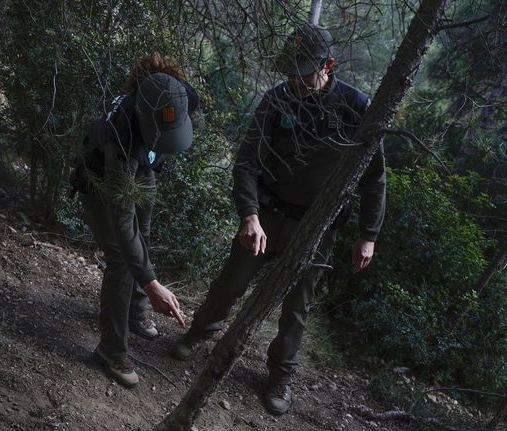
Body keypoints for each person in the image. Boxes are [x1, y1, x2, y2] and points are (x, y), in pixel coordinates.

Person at [171, 24, 386, 415]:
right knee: (229, 284)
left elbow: (374, 179)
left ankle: (280, 375)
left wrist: (368, 235)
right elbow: (247, 163)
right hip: (267, 215)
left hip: (317, 228)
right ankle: (197, 334)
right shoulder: (276, 101)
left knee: (297, 308)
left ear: (328, 65)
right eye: (290, 72)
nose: (295, 80)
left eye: (304, 73)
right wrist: (249, 215)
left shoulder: (357, 108)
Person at [70, 53, 200, 388]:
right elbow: (122, 219)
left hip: (142, 170)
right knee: (121, 260)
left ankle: (134, 312)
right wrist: (151, 282)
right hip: (104, 181)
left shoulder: (178, 96)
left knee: (145, 234)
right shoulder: (121, 134)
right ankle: (112, 350)